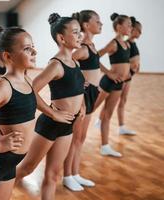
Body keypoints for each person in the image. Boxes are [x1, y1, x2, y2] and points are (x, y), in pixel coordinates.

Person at [16, 13, 84, 200]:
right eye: (76, 32)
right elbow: (30, 91)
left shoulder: (74, 61)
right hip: (50, 125)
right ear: (61, 38)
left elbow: (78, 88)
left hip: (67, 126)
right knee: (26, 169)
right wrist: (52, 113)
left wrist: (82, 106)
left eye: (80, 32)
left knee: (53, 174)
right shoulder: (56, 65)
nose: (81, 36)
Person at [0, 26, 37, 200]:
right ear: (8, 56)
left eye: (33, 46)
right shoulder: (3, 86)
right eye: (27, 48)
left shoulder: (26, 79)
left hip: (11, 162)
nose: (34, 51)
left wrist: (53, 112)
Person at [62, 10, 102, 191]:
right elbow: (67, 61)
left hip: (92, 93)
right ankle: (67, 176)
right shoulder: (83, 49)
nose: (101, 24)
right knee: (74, 138)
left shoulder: (91, 46)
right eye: (97, 21)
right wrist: (80, 82)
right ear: (86, 25)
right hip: (83, 96)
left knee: (81, 138)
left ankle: (75, 173)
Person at [93, 13, 132, 157]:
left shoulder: (127, 44)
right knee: (90, 110)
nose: (130, 27)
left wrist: (128, 72)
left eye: (130, 25)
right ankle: (70, 136)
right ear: (119, 27)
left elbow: (125, 63)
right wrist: (108, 72)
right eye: (128, 25)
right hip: (108, 82)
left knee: (108, 115)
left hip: (119, 84)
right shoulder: (113, 43)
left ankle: (105, 146)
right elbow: (95, 56)